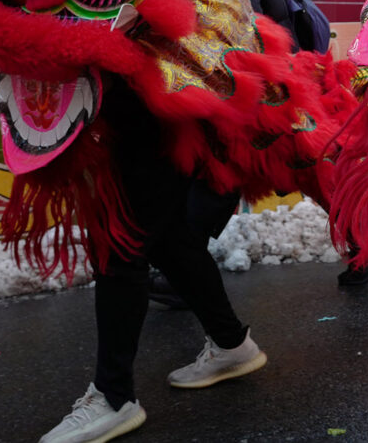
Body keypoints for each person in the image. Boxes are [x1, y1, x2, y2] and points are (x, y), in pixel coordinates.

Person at [39, 80, 267, 443]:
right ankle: (231, 343)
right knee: (170, 242)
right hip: (158, 111)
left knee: (121, 244)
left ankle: (114, 398)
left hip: (154, 107)